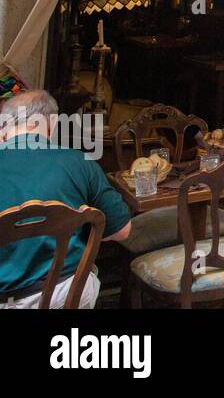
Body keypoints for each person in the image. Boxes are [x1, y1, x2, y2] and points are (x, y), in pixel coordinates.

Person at [0, 91, 132, 308]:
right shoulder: (80, 161)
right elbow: (122, 231)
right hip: (64, 294)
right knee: (87, 274)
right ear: (51, 126)